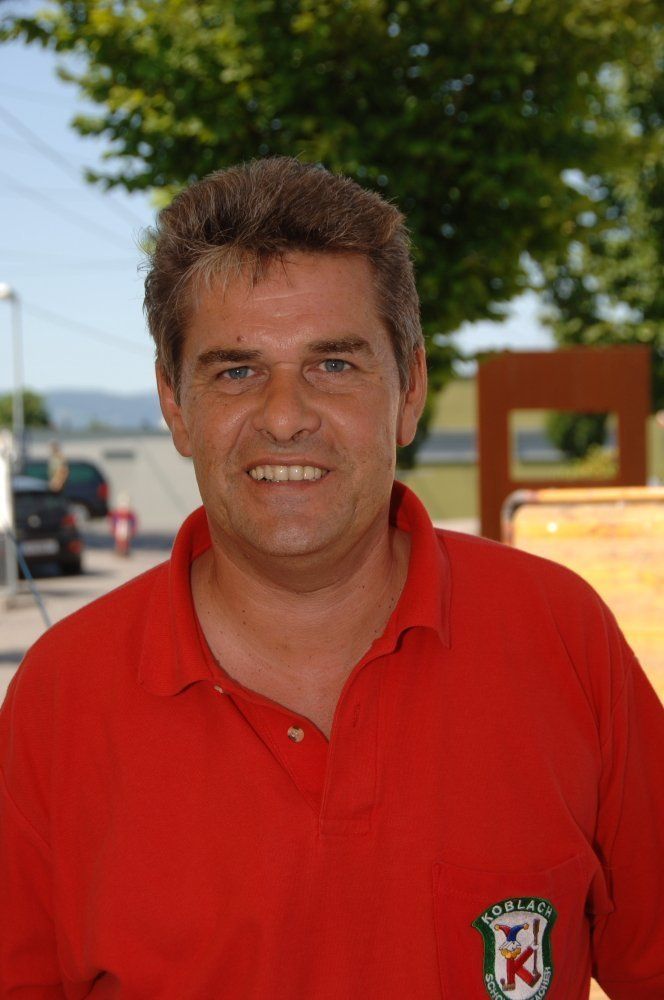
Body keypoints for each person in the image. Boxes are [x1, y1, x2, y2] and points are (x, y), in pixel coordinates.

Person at [1, 158, 662, 1000]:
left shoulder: (562, 637)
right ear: (174, 404)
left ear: (410, 389)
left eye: (335, 365)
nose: (285, 417)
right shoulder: (61, 698)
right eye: (236, 370)